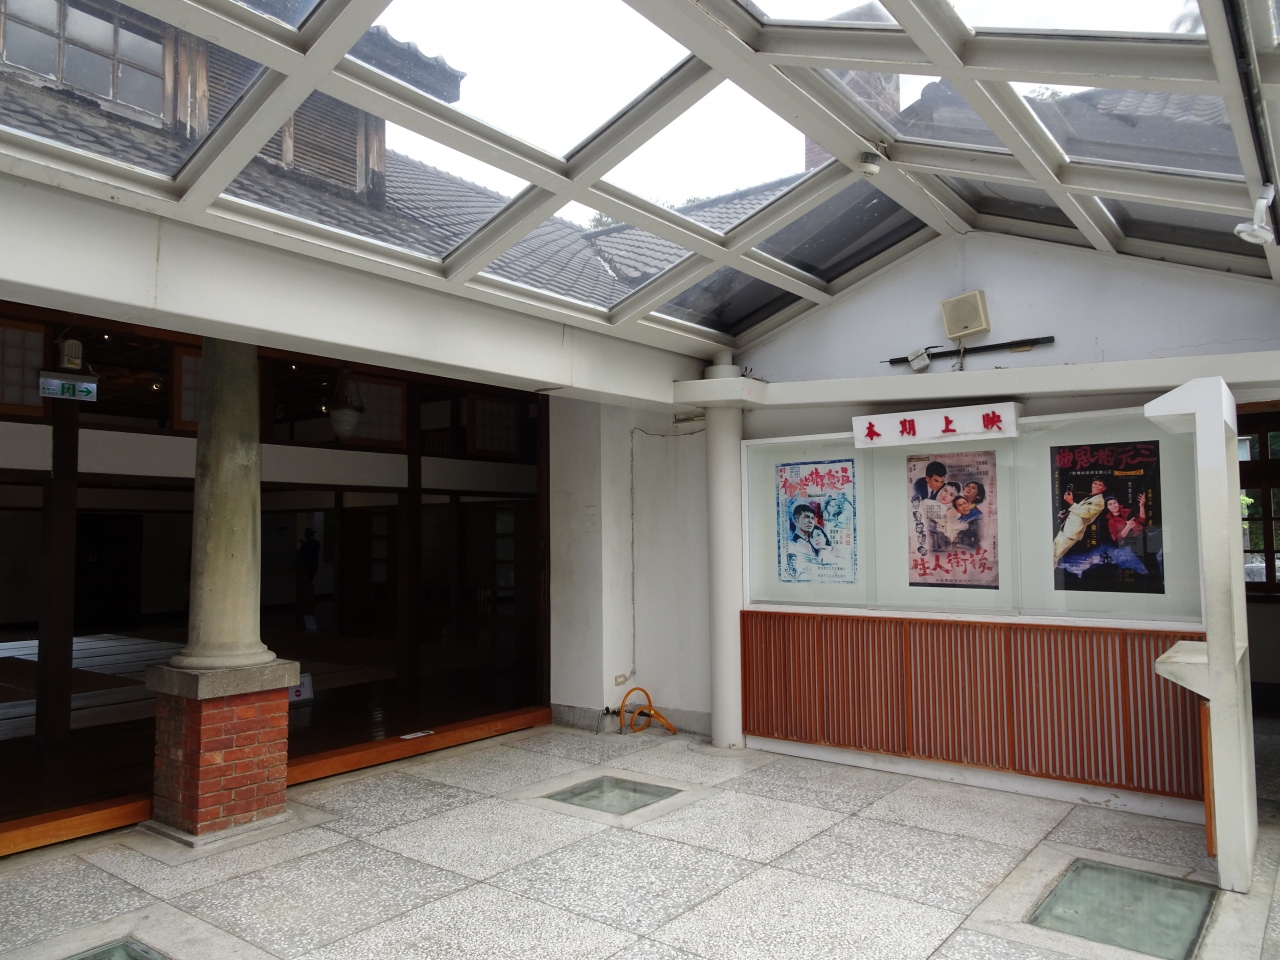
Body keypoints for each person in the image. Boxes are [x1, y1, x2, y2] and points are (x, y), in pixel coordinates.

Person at [1053, 477, 1108, 565]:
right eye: (1095, 483)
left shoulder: (1099, 502)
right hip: (1067, 528)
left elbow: (1086, 514)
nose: (1096, 486)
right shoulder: (1091, 497)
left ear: (1104, 488)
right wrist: (1066, 514)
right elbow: (1079, 512)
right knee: (1054, 554)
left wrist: (1071, 502)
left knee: (1053, 555)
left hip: (1072, 532)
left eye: (1100, 485)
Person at [295, 527, 321, 630]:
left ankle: (308, 599)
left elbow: (303, 554)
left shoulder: (307, 545)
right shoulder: (317, 543)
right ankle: (311, 599)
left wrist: (304, 544)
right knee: (310, 581)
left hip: (308, 566)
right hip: (314, 566)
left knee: (307, 583)